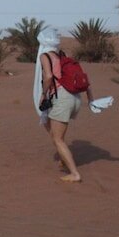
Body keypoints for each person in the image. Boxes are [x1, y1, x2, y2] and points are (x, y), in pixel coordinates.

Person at [33, 29, 92, 183]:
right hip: (74, 98)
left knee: (58, 139)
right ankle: (63, 159)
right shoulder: (62, 55)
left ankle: (75, 174)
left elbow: (48, 76)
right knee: (52, 130)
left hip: (62, 99)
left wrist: (43, 94)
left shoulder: (45, 56)